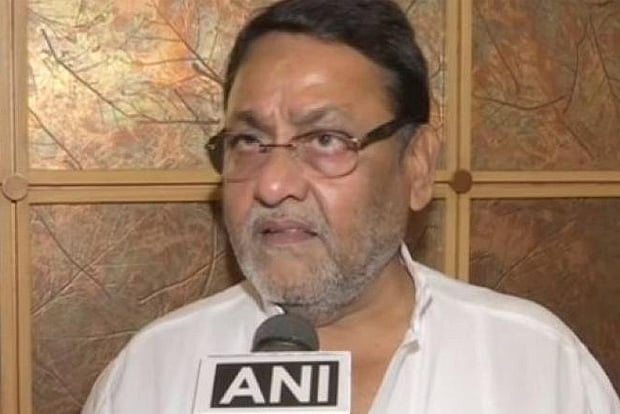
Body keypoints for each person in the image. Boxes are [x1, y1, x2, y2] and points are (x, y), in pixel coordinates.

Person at [82, 0, 620, 413]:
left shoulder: (537, 367)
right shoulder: (151, 375)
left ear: (417, 165)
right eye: (249, 141)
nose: (273, 184)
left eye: (326, 140)